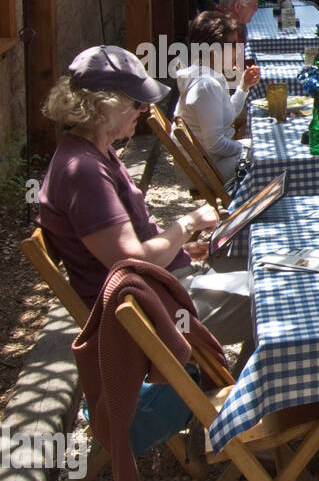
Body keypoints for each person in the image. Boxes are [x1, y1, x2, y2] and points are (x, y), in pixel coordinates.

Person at [37, 45, 252, 345]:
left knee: (263, 263)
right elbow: (129, 261)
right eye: (137, 101)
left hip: (153, 291)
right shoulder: (83, 171)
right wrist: (188, 224)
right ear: (103, 104)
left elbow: (121, 250)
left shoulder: (93, 150)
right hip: (147, 314)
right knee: (277, 297)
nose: (145, 109)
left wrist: (181, 251)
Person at [173, 11, 259, 182]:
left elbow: (225, 115)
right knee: (268, 159)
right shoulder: (206, 85)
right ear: (214, 51)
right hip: (205, 169)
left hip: (209, 160)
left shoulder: (208, 75)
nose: (238, 49)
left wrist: (243, 87)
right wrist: (248, 149)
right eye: (233, 44)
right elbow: (215, 144)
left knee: (265, 147)